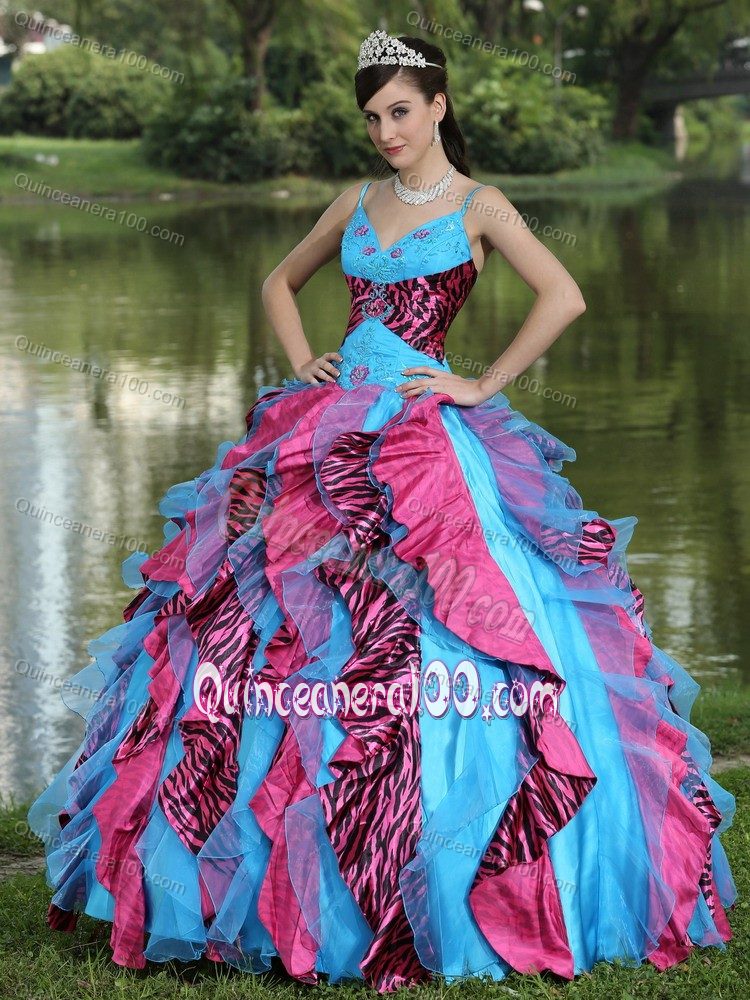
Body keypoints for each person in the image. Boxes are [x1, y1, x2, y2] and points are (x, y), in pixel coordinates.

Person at [27, 28, 737, 993]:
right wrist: (301, 361)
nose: (385, 131)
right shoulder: (355, 201)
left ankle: (441, 869)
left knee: (444, 622)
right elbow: (279, 282)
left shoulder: (481, 205)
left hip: (425, 438)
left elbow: (563, 295)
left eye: (400, 111)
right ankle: (260, 868)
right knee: (272, 620)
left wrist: (479, 384)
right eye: (372, 117)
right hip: (323, 433)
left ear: (439, 106)